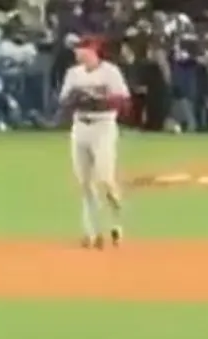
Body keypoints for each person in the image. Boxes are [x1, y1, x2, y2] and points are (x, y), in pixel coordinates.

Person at [58, 37, 130, 249]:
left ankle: (116, 225)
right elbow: (64, 101)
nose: (78, 53)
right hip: (80, 127)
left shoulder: (110, 72)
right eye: (77, 50)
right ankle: (91, 232)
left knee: (106, 180)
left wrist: (100, 101)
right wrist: (75, 100)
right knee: (85, 183)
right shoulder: (73, 74)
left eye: (81, 49)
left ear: (93, 50)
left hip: (104, 127)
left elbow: (124, 101)